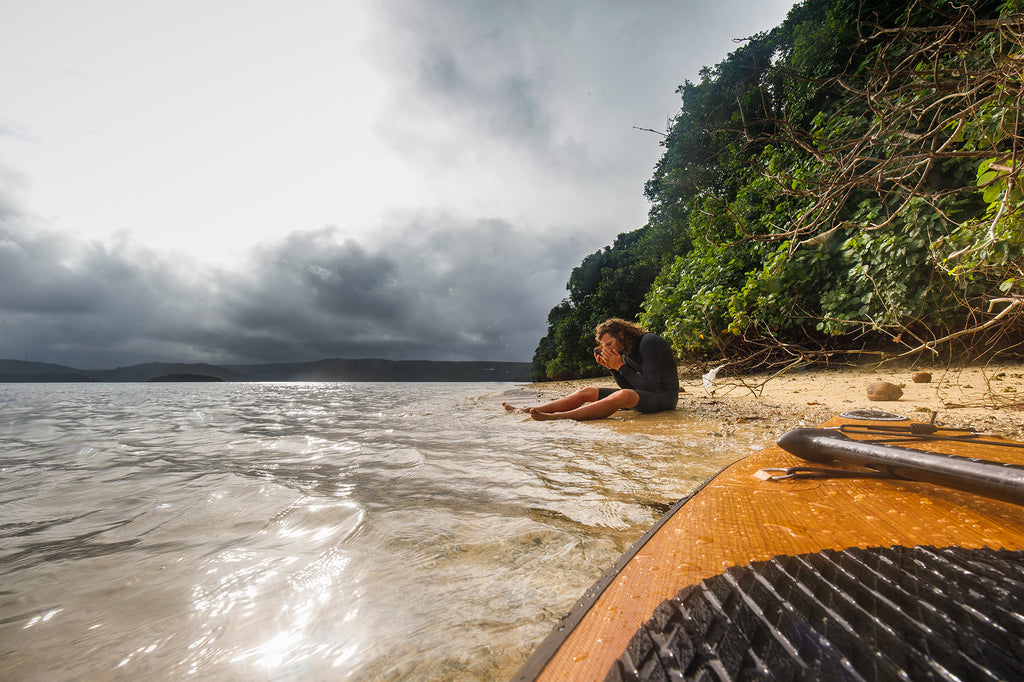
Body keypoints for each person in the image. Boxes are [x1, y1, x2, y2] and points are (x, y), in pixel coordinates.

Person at [503, 318, 679, 421]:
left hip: (664, 399)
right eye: (605, 346)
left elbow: (650, 387)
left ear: (622, 335)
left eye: (609, 344)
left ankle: (558, 417)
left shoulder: (649, 342)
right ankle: (529, 409)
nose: (608, 349)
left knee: (623, 395)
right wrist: (613, 368)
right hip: (645, 397)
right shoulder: (624, 351)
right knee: (585, 391)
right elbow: (629, 385)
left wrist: (620, 367)